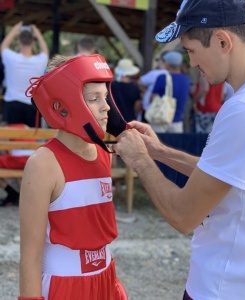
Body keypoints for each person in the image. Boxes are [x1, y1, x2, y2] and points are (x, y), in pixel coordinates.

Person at [113, 1, 245, 299]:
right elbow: (231, 175)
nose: (191, 64)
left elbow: (183, 215)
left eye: (191, 51)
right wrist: (159, 152)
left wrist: (139, 159)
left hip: (224, 288)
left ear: (223, 41)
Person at [19, 54, 128, 300]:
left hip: (104, 276)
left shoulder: (104, 152)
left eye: (105, 96)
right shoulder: (43, 164)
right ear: (64, 105)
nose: (106, 106)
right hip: (63, 285)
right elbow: (30, 253)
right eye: (94, 98)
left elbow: (98, 230)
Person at [0, 21, 49, 127]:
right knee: (31, 140)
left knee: (10, 140)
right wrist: (38, 34)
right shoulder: (40, 61)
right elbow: (45, 51)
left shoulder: (11, 59)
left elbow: (3, 47)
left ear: (18, 43)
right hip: (32, 105)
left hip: (12, 104)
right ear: (33, 43)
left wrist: (13, 31)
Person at [149, 51, 190, 133]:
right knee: (175, 145)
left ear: (168, 64)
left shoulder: (162, 78)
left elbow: (152, 98)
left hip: (161, 120)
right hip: (178, 121)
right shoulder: (186, 80)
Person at [138, 52, 168, 122]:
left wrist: (144, 90)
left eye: (159, 60)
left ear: (162, 61)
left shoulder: (155, 73)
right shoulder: (172, 74)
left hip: (150, 109)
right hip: (165, 111)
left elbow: (140, 82)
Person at [111, 58, 141, 122]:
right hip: (130, 120)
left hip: (113, 120)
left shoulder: (111, 85)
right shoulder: (134, 88)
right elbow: (137, 107)